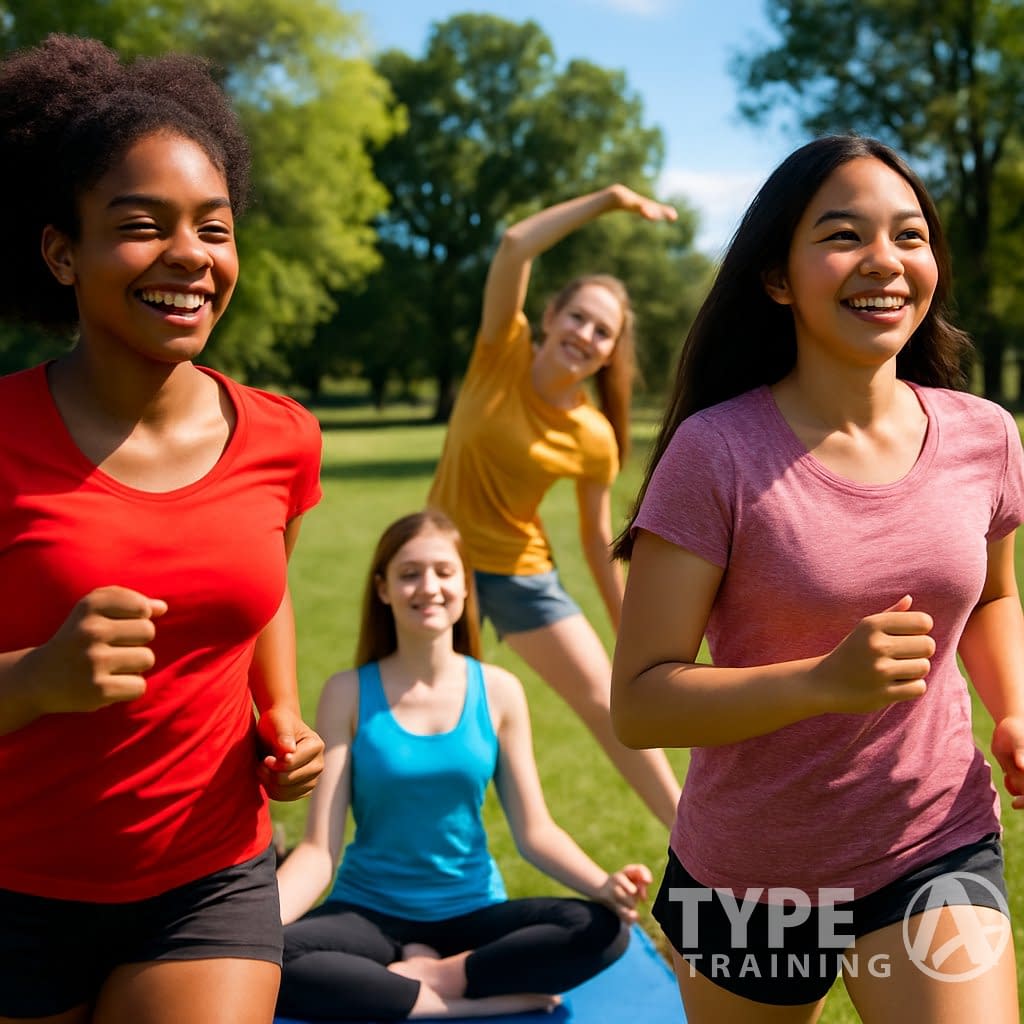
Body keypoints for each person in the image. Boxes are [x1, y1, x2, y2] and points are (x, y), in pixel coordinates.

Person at [610, 134, 1024, 1023]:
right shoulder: (716, 452)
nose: (885, 261)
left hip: (933, 843)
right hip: (746, 878)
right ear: (777, 279)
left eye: (910, 236)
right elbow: (641, 700)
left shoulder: (985, 434)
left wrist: (1015, 707)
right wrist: (822, 684)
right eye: (843, 235)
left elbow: (991, 597)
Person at [0, 35, 325, 1024]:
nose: (189, 255)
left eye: (214, 228)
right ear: (63, 251)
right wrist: (34, 679)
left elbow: (258, 590)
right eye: (141, 226)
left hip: (208, 879)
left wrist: (283, 716)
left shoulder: (282, 437)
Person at [276, 509, 651, 1020]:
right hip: (369, 913)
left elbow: (534, 832)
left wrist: (602, 885)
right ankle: (451, 1007)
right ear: (383, 589)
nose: (428, 586)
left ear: (465, 586)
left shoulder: (499, 692)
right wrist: (253, 927)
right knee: (273, 956)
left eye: (443, 571)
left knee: (604, 931)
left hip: (473, 912)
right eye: (409, 573)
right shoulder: (347, 692)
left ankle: (434, 978)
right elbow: (320, 849)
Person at [428, 185, 681, 828]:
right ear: (551, 315)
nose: (587, 335)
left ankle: (698, 853)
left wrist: (636, 637)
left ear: (608, 352)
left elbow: (600, 543)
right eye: (579, 317)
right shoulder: (499, 351)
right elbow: (516, 243)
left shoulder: (594, 436)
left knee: (608, 702)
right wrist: (610, 200)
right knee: (436, 725)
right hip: (439, 569)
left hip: (520, 574)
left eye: (604, 332)